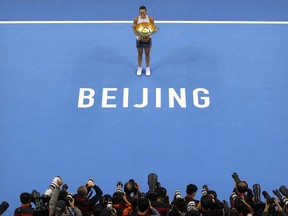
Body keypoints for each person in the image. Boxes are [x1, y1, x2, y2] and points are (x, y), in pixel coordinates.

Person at [132, 5, 155, 76]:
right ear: (139, 12)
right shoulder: (136, 19)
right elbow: (134, 29)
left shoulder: (150, 19)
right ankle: (139, 68)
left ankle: (147, 68)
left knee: (147, 54)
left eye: (143, 13)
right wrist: (138, 36)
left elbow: (152, 29)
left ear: (146, 12)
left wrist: (148, 35)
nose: (142, 14)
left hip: (148, 39)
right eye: (140, 13)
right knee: (139, 54)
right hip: (139, 39)